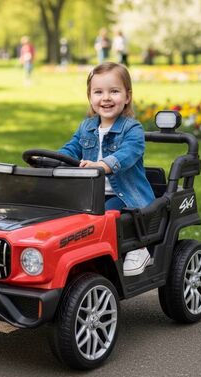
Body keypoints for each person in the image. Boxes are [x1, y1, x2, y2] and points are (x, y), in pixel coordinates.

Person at [57, 62, 155, 276]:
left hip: (126, 196)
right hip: (91, 194)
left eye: (114, 91)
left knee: (106, 216)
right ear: (90, 97)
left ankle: (139, 249)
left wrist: (102, 166)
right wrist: (52, 159)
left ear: (127, 96)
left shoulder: (133, 129)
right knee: (67, 217)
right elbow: (71, 148)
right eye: (99, 92)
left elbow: (127, 154)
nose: (106, 98)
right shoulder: (86, 127)